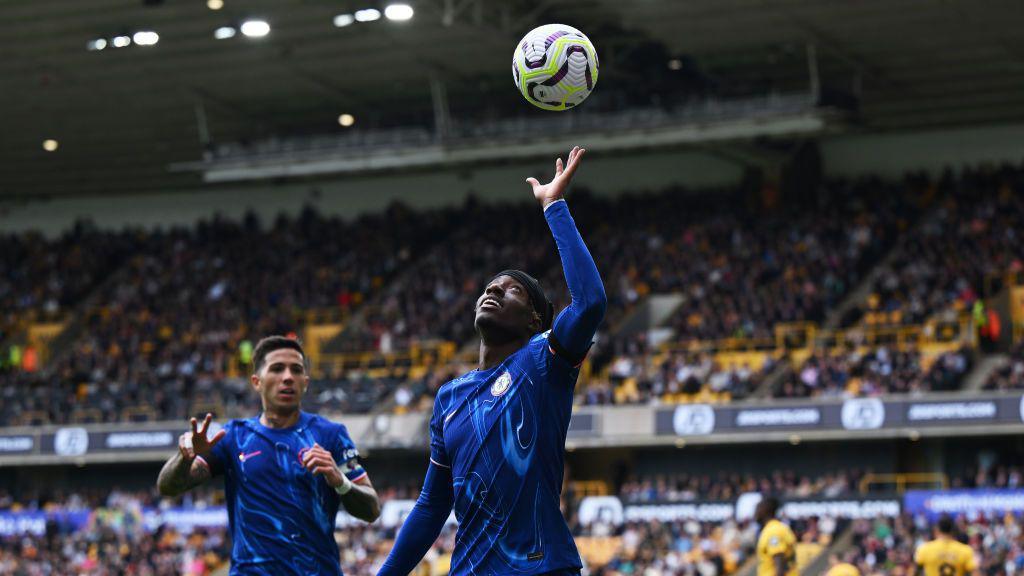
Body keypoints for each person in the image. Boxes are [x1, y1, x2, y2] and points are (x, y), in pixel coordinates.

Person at [378, 146, 606, 575]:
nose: (494, 291)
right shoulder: (449, 397)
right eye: (489, 287)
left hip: (541, 567)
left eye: (511, 289)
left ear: (535, 318)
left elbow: (591, 302)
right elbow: (431, 507)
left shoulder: (544, 362)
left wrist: (554, 207)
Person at [157, 335, 381, 575]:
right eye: (277, 369)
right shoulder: (234, 437)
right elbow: (167, 487)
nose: (287, 377)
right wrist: (185, 457)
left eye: (296, 370)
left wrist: (340, 481)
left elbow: (371, 509)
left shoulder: (331, 435)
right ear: (257, 381)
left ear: (305, 382)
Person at [913, 514, 979, 576]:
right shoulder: (965, 550)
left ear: (937, 530)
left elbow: (915, 572)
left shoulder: (924, 549)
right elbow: (975, 573)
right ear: (953, 530)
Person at [755, 497, 797, 576]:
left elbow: (779, 561)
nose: (755, 513)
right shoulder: (778, 527)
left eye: (757, 509)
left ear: (765, 510)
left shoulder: (773, 531)